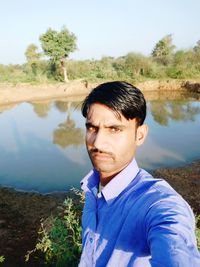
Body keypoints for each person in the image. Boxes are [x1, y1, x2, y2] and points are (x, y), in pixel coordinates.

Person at [78, 81, 200, 267]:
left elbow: (175, 243)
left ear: (140, 135)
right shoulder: (92, 188)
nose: (98, 143)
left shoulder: (157, 203)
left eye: (115, 129)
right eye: (92, 128)